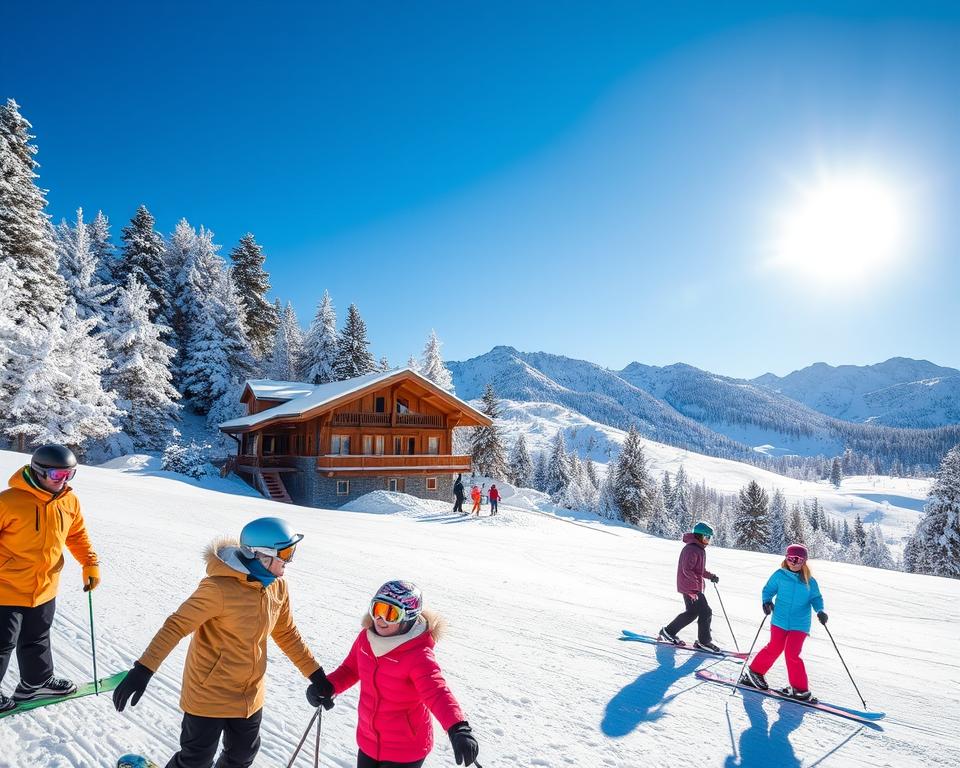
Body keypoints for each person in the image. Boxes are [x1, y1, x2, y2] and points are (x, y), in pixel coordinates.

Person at [113, 517, 327, 768]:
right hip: (208, 692)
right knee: (197, 759)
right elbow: (176, 626)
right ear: (261, 556)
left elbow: (286, 632)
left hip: (249, 694)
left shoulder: (277, 586)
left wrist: (317, 675)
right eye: (286, 553)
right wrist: (143, 669)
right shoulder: (218, 589)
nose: (289, 561)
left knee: (242, 756)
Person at [306, 580, 480, 768]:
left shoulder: (418, 654)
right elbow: (351, 669)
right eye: (377, 609)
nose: (380, 619)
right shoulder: (366, 639)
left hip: (405, 750)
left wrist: (458, 728)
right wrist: (328, 686)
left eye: (391, 613)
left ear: (408, 617)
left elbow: (437, 692)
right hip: (368, 742)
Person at [0, 444, 100, 712]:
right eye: (57, 475)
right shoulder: (8, 501)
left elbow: (77, 535)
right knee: (2, 642)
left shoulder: (69, 501)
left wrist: (89, 564)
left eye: (70, 474)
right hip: (6, 587)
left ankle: (36, 683)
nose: (64, 481)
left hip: (45, 586)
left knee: (37, 636)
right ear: (39, 471)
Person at [740, 544, 826, 702]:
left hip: (799, 624)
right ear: (786, 559)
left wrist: (820, 611)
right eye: (790, 558)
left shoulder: (810, 581)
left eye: (798, 559)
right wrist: (766, 602)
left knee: (792, 654)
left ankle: (800, 689)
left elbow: (816, 598)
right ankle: (754, 672)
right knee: (774, 647)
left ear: (804, 562)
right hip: (779, 620)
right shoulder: (779, 575)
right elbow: (768, 590)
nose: (793, 562)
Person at [658, 521, 720, 652]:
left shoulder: (698, 549)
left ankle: (668, 632)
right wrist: (696, 589)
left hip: (693, 587)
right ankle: (704, 642)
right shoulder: (691, 549)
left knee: (692, 613)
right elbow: (687, 570)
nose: (708, 541)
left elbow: (699, 570)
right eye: (706, 537)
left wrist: (711, 576)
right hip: (691, 587)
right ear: (698, 536)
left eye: (709, 538)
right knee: (705, 611)